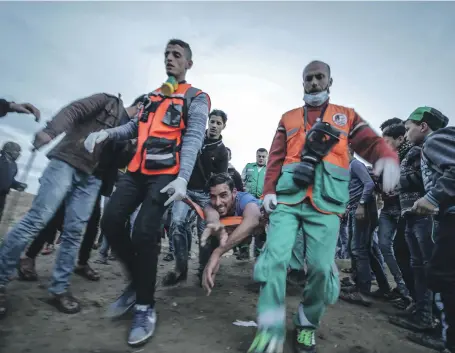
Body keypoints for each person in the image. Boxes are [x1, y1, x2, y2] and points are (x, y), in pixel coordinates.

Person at [247, 60, 400, 353]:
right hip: (288, 198)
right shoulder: (288, 117)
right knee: (275, 260)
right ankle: (269, 327)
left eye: (320, 77)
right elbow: (276, 156)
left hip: (327, 203)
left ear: (330, 81)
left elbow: (370, 142)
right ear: (302, 82)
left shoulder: (347, 116)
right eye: (309, 78)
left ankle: (307, 325)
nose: (314, 82)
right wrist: (268, 190)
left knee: (319, 268)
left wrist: (387, 156)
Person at [85, 39, 210, 347]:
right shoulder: (153, 96)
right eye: (167, 54)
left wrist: (182, 179)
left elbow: (193, 138)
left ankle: (144, 305)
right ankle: (136, 283)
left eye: (176, 55)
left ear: (188, 64)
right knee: (111, 222)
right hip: (136, 171)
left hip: (166, 174)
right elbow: (131, 129)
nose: (169, 58)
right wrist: (106, 133)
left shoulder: (196, 97)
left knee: (144, 233)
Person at [0, 92, 137, 319]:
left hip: (92, 177)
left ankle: (59, 288)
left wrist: (130, 148)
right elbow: (75, 110)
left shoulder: (129, 132)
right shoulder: (108, 101)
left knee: (74, 231)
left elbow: (117, 162)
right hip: (67, 161)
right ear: (139, 106)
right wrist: (51, 131)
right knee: (38, 218)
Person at [404, 107, 454, 353]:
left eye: (408, 127)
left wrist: (433, 197)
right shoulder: (431, 146)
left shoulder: (436, 140)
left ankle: (447, 339)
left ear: (423, 126)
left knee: (442, 275)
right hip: (447, 217)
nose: (406, 134)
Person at [163, 108, 228, 285]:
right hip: (185, 189)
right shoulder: (194, 139)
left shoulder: (222, 152)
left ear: (223, 127)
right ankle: (180, 269)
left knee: (204, 232)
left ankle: (203, 270)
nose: (214, 125)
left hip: (206, 195)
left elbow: (221, 180)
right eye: (212, 121)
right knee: (177, 223)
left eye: (218, 123)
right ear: (207, 122)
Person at [200, 173, 262, 294]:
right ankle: (207, 270)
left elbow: (253, 219)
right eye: (213, 196)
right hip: (230, 233)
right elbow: (211, 213)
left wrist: (218, 252)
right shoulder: (210, 205)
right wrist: (214, 224)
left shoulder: (245, 199)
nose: (218, 202)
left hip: (260, 231)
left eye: (223, 195)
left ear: (234, 192)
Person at [240, 148, 268, 259]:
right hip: (248, 200)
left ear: (266, 157)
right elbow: (241, 181)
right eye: (259, 156)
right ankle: (244, 251)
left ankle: (258, 252)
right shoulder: (249, 167)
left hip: (262, 202)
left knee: (260, 226)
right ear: (256, 156)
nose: (261, 158)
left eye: (263, 156)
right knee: (245, 224)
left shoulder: (271, 168)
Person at [0, 142, 27, 222]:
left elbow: (10, 180)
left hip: (2, 196)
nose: (19, 154)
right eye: (17, 151)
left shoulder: (13, 165)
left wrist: (18, 185)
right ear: (9, 151)